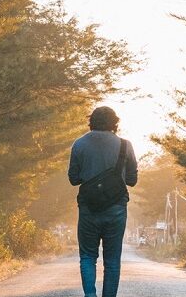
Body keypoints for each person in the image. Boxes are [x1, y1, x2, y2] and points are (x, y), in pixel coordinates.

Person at [68, 106, 138, 297]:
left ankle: (90, 295)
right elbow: (132, 180)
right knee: (112, 260)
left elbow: (74, 179)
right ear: (114, 123)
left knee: (87, 256)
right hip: (116, 209)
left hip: (88, 208)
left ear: (91, 121)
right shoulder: (125, 145)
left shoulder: (79, 144)